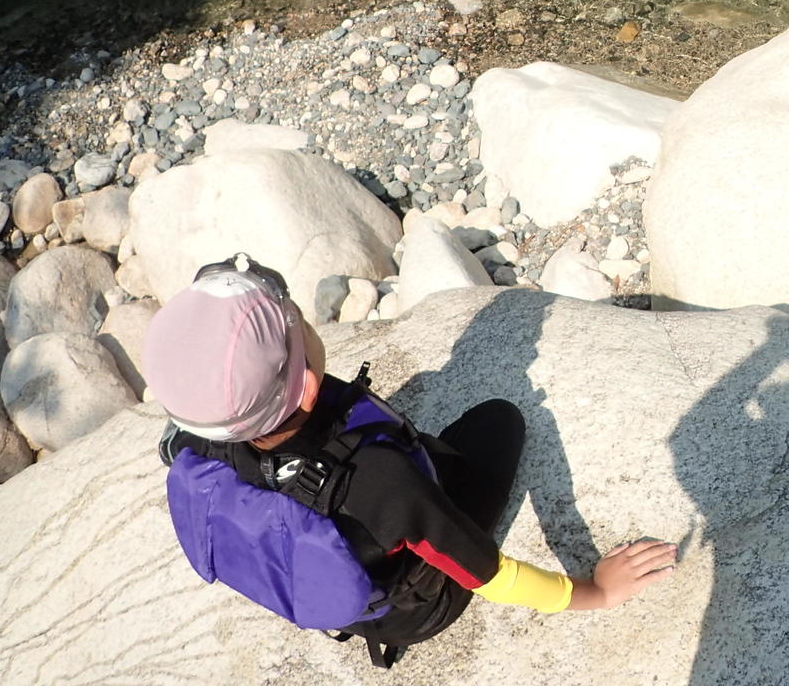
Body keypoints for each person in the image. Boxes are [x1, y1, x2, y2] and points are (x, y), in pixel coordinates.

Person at [142, 256, 676, 668]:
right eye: (299, 321)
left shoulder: (196, 442)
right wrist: (594, 593)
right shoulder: (380, 481)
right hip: (419, 610)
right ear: (305, 386)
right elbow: (485, 573)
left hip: (360, 599)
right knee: (499, 422)